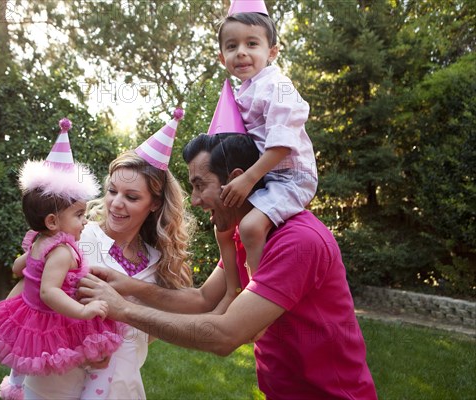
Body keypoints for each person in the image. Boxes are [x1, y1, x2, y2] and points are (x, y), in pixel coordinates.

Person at [79, 133, 378, 399]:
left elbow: (225, 335)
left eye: (200, 185)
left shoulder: (297, 241)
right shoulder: (245, 233)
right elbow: (204, 299)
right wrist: (128, 284)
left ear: (235, 178)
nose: (194, 200)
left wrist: (122, 309)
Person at [3, 110, 195, 399]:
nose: (116, 204)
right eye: (112, 191)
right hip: (56, 387)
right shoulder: (76, 240)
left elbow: (151, 330)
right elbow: (25, 297)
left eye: (131, 197)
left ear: (154, 204)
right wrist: (81, 348)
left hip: (121, 388)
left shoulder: (157, 262)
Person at [0, 118, 124, 400]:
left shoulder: (36, 239)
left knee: (24, 351)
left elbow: (20, 267)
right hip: (53, 313)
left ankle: (16, 387)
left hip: (27, 307)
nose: (84, 220)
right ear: (54, 221)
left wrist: (27, 266)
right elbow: (49, 290)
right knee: (85, 349)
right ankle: (91, 393)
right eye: (79, 215)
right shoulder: (62, 251)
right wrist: (82, 312)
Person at [213, 1, 319, 313]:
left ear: (272, 51)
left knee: (248, 227)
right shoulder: (244, 91)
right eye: (232, 46)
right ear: (222, 57)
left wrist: (248, 178)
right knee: (222, 222)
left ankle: (257, 298)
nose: (241, 52)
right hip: (267, 178)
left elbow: (283, 143)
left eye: (252, 44)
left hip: (291, 178)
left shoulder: (277, 85)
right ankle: (232, 290)